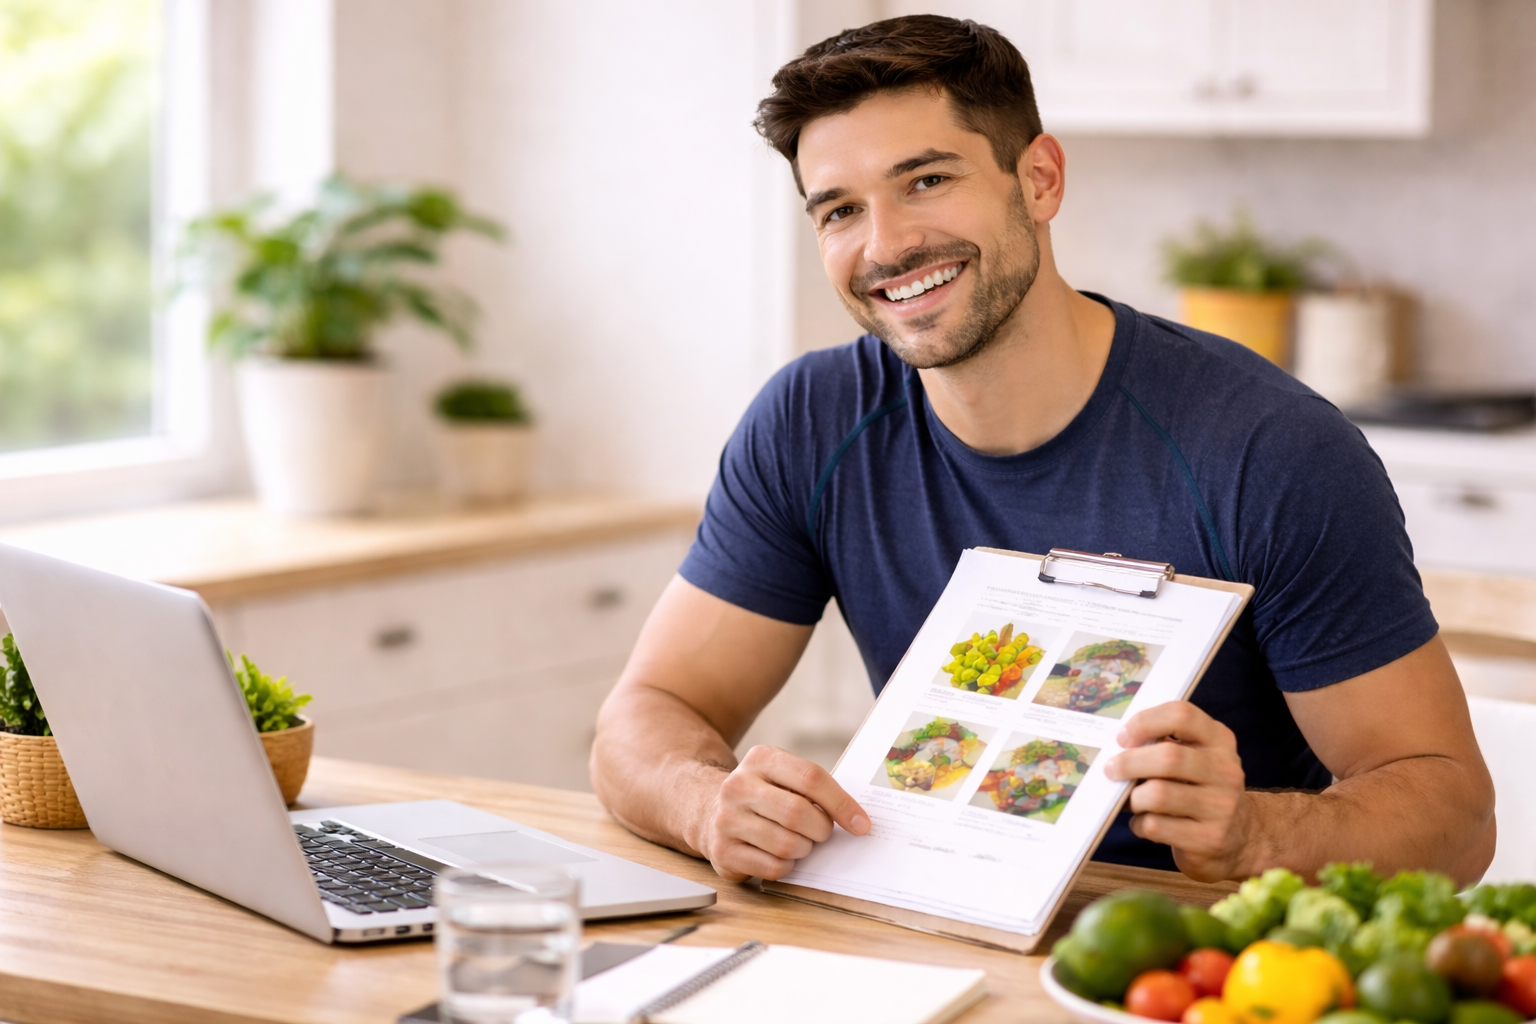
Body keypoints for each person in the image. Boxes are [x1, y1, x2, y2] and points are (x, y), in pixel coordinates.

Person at [590, 15, 1494, 887]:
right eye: (839, 210)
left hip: (1200, 961)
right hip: (928, 928)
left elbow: (1455, 817)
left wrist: (1254, 831)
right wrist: (709, 806)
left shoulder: (1269, 449)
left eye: (927, 180)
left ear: (1041, 180)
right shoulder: (812, 420)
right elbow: (647, 716)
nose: (887, 244)